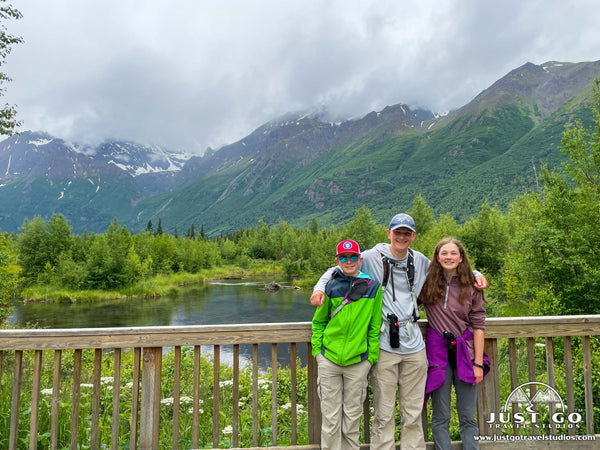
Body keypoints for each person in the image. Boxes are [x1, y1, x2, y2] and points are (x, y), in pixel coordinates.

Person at [311, 214, 487, 450]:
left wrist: (476, 274)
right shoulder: (373, 256)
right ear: (389, 233)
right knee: (383, 412)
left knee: (413, 411)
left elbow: (450, 266)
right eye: (397, 232)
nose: (401, 237)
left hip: (415, 346)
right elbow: (341, 266)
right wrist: (319, 288)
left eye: (407, 233)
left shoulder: (421, 261)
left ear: (413, 236)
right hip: (385, 345)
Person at [311, 239, 383, 450]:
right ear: (337, 260)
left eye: (353, 257)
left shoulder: (373, 287)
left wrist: (371, 358)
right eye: (343, 257)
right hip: (329, 360)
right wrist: (318, 353)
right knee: (331, 419)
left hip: (358, 362)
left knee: (352, 419)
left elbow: (374, 326)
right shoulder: (330, 287)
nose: (349, 261)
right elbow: (319, 323)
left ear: (360, 259)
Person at [420, 238, 489, 450]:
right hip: (437, 354)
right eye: (444, 253)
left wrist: (478, 364)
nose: (448, 257)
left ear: (460, 258)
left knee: (468, 414)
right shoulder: (427, 283)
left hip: (465, 354)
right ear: (437, 257)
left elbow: (478, 326)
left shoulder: (472, 286)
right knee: (441, 415)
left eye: (453, 253)